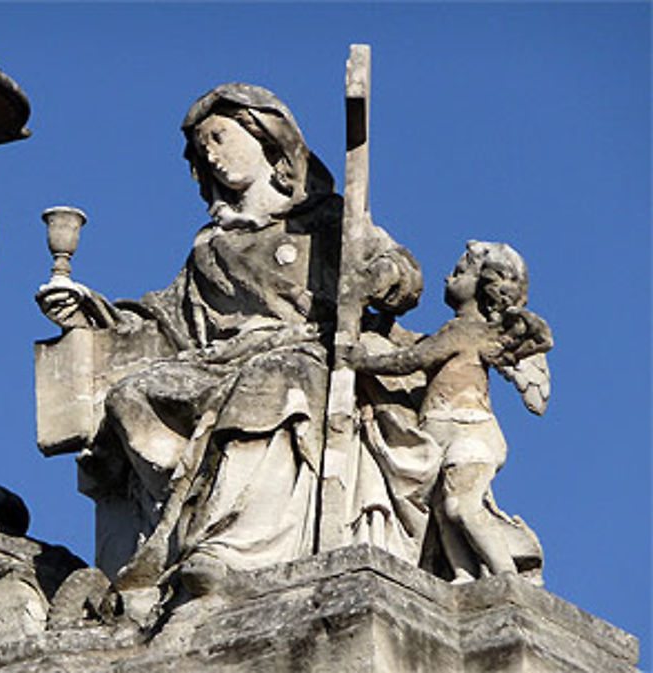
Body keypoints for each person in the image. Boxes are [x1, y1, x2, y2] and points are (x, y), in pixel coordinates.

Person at [38, 83, 422, 596]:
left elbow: (402, 274)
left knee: (269, 383)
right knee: (132, 395)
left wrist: (379, 277)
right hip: (222, 360)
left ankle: (232, 547)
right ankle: (184, 518)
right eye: (202, 150)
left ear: (266, 138)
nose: (211, 155)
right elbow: (166, 320)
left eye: (219, 137)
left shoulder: (327, 220)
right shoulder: (211, 248)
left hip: (305, 351)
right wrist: (92, 313)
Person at [349, 241, 551, 582]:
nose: (447, 276)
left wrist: (360, 361)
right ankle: (464, 574)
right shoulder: (457, 332)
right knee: (444, 511)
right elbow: (413, 346)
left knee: (462, 507)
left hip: (469, 432)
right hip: (444, 433)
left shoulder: (463, 331)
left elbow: (412, 359)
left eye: (458, 272)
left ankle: (506, 575)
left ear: (484, 285)